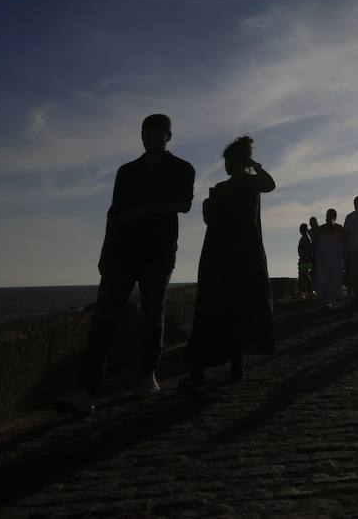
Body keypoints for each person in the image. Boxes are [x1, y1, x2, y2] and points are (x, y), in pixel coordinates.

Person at [55, 114, 195, 415]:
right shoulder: (127, 171)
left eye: (156, 134)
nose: (150, 139)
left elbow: (183, 204)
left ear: (168, 136)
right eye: (146, 134)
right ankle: (86, 388)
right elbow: (114, 212)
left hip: (158, 251)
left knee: (152, 313)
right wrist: (105, 251)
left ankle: (147, 374)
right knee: (104, 316)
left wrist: (143, 211)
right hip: (122, 252)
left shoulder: (182, 169)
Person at [181, 137, 276, 396]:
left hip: (242, 256)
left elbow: (269, 184)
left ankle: (235, 364)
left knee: (237, 309)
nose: (226, 166)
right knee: (213, 311)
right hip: (220, 255)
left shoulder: (252, 184)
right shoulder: (220, 189)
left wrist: (253, 165)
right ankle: (201, 371)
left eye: (229, 161)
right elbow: (210, 220)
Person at [314, 209, 345, 305]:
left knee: (328, 278)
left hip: (330, 256)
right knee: (329, 278)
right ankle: (328, 299)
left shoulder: (322, 229)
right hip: (329, 257)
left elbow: (316, 243)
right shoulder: (338, 228)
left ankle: (328, 299)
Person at [297, 222, 314, 298]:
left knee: (305, 275)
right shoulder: (304, 238)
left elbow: (308, 250)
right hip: (303, 259)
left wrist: (305, 259)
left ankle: (309, 291)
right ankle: (305, 291)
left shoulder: (306, 238)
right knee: (303, 275)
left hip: (305, 259)